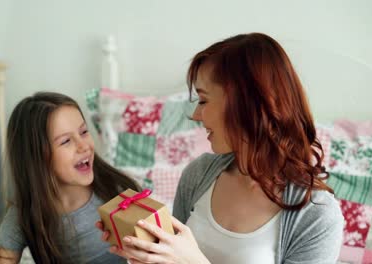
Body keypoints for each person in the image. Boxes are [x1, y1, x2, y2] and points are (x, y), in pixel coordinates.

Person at [99, 33, 344, 264]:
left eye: (204, 100)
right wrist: (147, 251)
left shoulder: (317, 216)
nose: (195, 115)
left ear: (246, 104)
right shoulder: (199, 174)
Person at [0, 92, 140, 264]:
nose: (83, 146)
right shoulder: (25, 213)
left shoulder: (113, 189)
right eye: (66, 141)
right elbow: (2, 258)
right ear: (36, 158)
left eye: (83, 131)